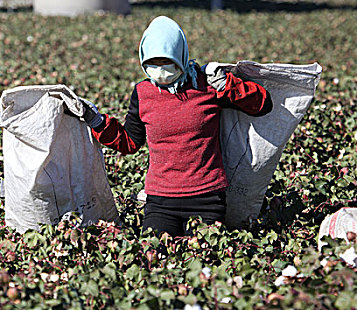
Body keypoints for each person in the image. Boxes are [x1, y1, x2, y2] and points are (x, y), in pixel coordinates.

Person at [80, 16, 273, 237]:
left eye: (166, 62)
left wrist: (227, 84)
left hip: (207, 198)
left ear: (180, 57)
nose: (160, 71)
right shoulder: (143, 94)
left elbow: (262, 105)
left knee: (205, 259)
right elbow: (130, 142)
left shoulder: (206, 85)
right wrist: (96, 121)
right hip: (160, 201)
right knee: (154, 259)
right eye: (153, 64)